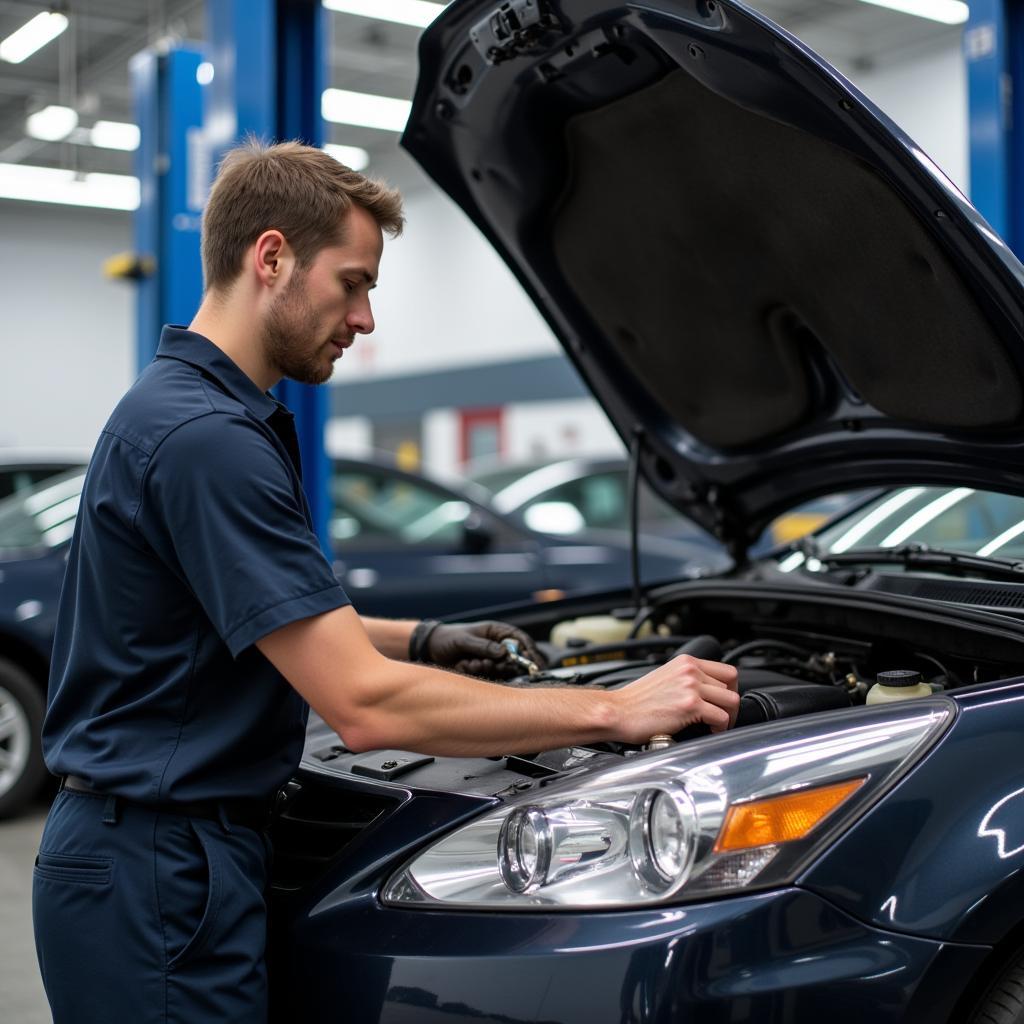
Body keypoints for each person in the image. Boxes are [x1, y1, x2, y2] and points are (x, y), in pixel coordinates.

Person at [32, 140, 739, 1023]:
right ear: (273, 257)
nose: (365, 319)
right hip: (157, 874)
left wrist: (425, 640)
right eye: (354, 282)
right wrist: (612, 708)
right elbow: (364, 708)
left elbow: (264, 617)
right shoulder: (206, 439)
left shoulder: (185, 411)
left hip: (155, 858)